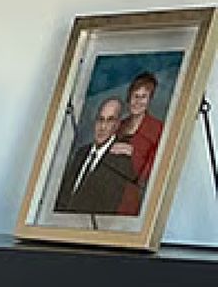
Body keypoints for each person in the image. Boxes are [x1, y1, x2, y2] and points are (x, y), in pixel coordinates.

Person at [53, 95, 138, 215]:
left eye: (110, 120)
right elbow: (63, 196)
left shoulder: (121, 160)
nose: (102, 127)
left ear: (118, 125)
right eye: (100, 119)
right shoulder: (81, 153)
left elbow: (109, 206)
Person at [112, 71, 164, 219]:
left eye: (144, 97)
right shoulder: (119, 126)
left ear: (149, 100)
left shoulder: (158, 128)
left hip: (132, 194)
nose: (138, 102)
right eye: (135, 96)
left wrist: (131, 153)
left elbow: (154, 168)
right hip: (110, 189)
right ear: (129, 97)